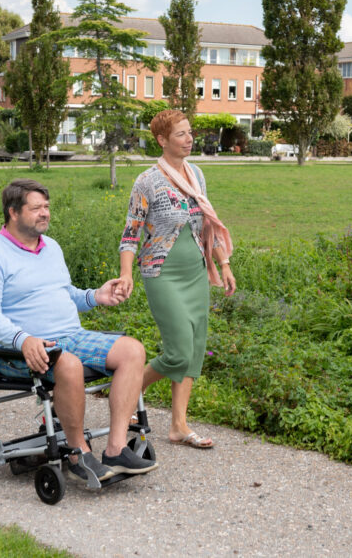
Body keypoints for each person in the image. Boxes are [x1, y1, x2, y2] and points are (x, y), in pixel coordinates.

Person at [0, 178, 157, 484]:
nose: (45, 213)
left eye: (47, 207)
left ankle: (117, 448)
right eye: (36, 208)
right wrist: (23, 338)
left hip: (69, 335)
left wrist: (96, 296)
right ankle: (78, 452)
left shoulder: (51, 247)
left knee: (132, 350)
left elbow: (64, 292)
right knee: (67, 362)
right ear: (13, 212)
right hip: (16, 349)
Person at [118, 109, 236, 449]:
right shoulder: (147, 181)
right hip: (162, 273)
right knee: (179, 351)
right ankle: (130, 388)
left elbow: (208, 225)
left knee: (195, 348)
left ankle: (179, 425)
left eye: (189, 133)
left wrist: (223, 264)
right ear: (162, 140)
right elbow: (130, 236)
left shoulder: (196, 174)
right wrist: (126, 275)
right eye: (181, 134)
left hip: (196, 272)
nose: (189, 139)